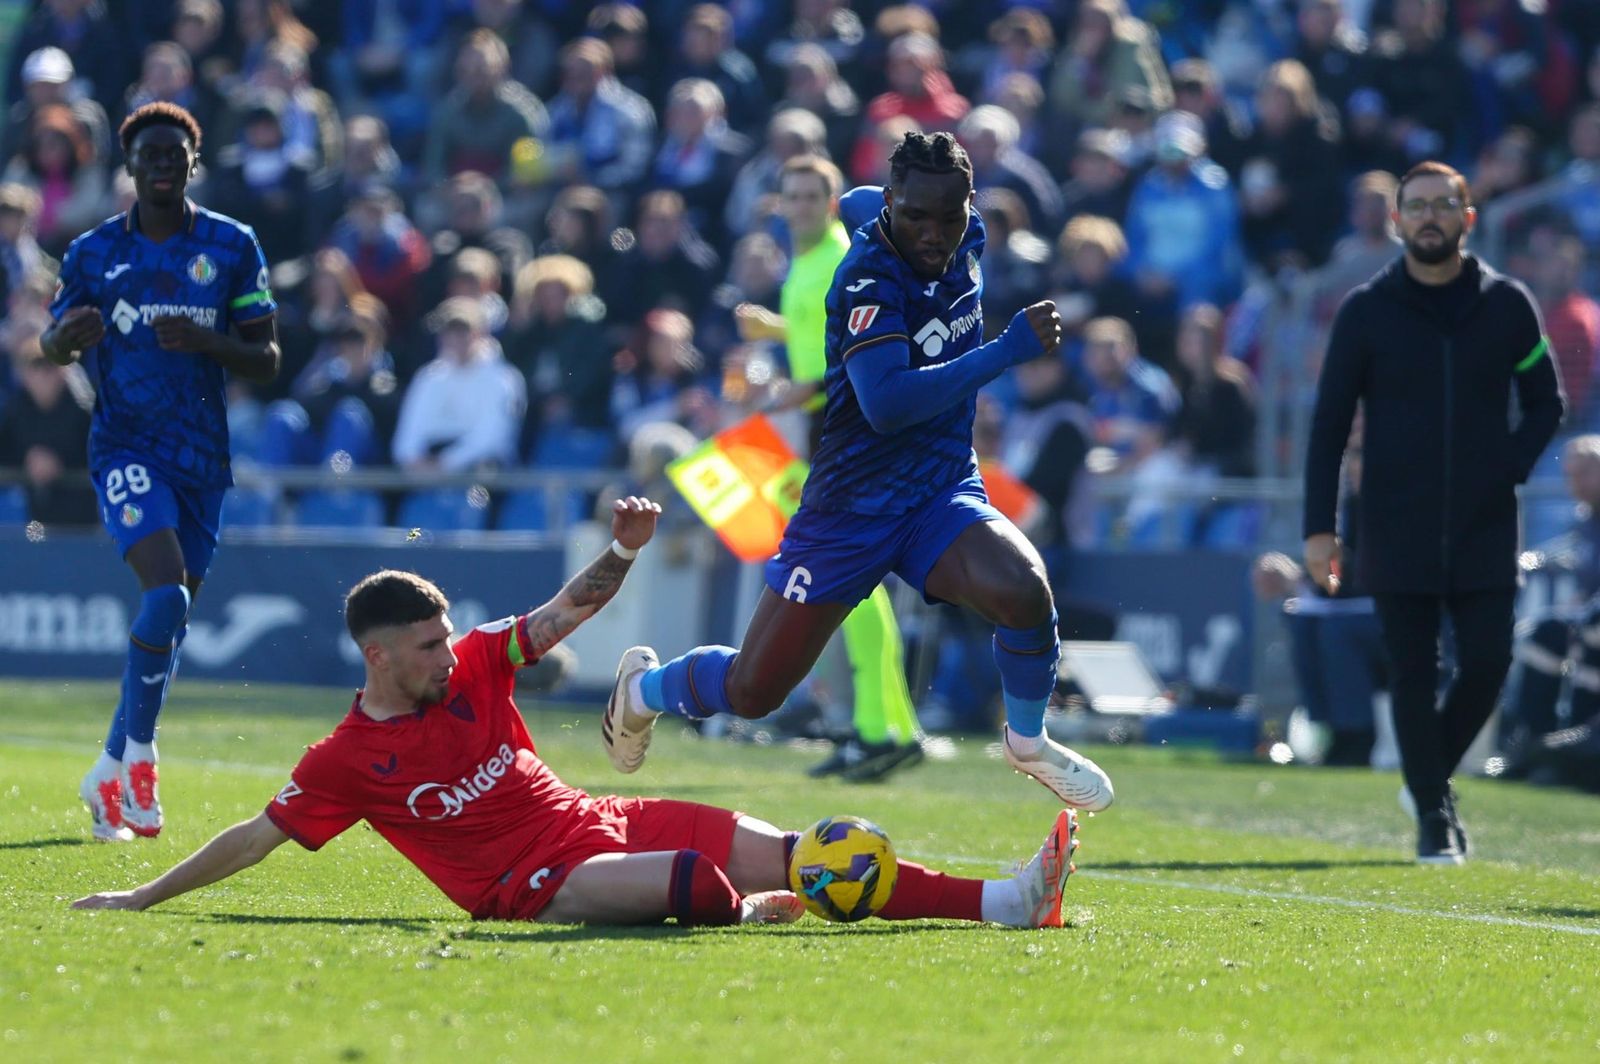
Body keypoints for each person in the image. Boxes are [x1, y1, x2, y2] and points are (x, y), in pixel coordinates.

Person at [70, 500, 1082, 931]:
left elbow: (565, 610)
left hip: (600, 817)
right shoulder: (344, 758)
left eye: (447, 637)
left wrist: (628, 549)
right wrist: (137, 898)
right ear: (378, 656)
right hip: (536, 879)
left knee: (822, 850)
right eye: (426, 646)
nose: (449, 653)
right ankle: (749, 909)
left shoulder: (470, 657)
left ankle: (1004, 900)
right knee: (698, 880)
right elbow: (254, 836)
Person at [603, 132, 1114, 812]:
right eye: (916, 217)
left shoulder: (967, 232)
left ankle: (1026, 741)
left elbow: (855, 199)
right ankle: (644, 689)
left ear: (968, 206)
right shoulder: (868, 278)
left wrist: (876, 205)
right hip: (849, 508)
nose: (933, 234)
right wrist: (1004, 353)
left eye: (947, 215)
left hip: (938, 489)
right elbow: (888, 403)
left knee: (1024, 590)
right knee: (756, 691)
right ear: (895, 209)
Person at [1303, 160, 1565, 864]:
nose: (1428, 217)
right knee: (1413, 672)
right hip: (1392, 522)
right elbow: (1329, 425)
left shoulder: (1508, 304)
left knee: (1488, 662)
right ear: (1395, 221)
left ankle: (1424, 776)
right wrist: (1319, 529)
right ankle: (1433, 815)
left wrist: (1508, 467)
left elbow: (1548, 402)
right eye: (1414, 206)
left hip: (1485, 524)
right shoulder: (1365, 311)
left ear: (1467, 217)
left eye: (1442, 205)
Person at [38, 101, 280, 843]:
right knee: (166, 590)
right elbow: (52, 343)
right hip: (125, 447)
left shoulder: (231, 245)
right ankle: (140, 760)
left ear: (193, 163)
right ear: (132, 167)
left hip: (201, 460)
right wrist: (62, 340)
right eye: (151, 156)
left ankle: (107, 764)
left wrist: (210, 341)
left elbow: (266, 359)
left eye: (176, 154)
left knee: (168, 621)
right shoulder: (92, 252)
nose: (164, 165)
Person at [733, 154, 924, 781]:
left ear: (833, 200)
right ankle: (886, 728)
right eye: (792, 196)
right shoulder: (819, 264)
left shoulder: (835, 261)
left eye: (813, 196)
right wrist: (777, 329)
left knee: (853, 587)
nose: (802, 206)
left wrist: (780, 394)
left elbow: (832, 369)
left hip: (843, 436)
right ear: (779, 205)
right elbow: (827, 334)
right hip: (843, 435)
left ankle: (878, 730)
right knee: (860, 590)